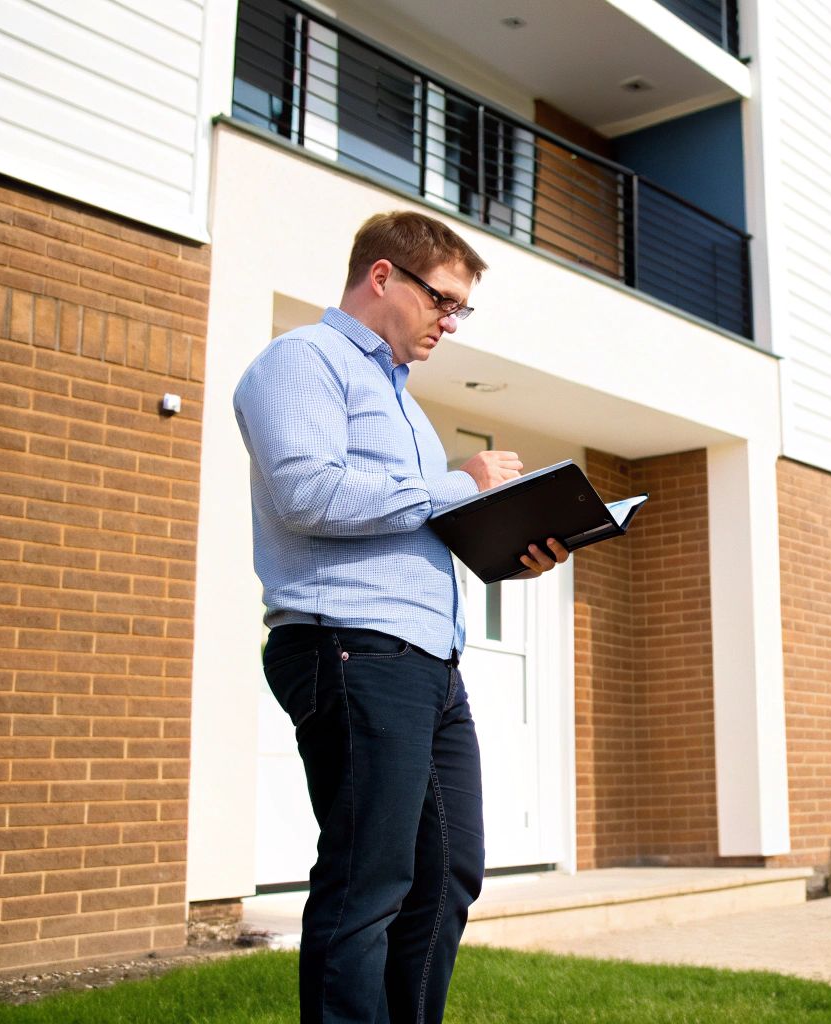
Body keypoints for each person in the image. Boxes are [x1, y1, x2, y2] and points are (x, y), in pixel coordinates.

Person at [234, 211, 570, 1024]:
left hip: (427, 662)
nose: (449, 324)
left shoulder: (407, 408)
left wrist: (511, 545)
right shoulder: (301, 362)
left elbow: (410, 524)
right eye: (442, 302)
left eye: (461, 310)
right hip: (350, 649)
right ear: (382, 277)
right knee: (369, 877)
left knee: (449, 870)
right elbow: (309, 495)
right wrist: (464, 484)